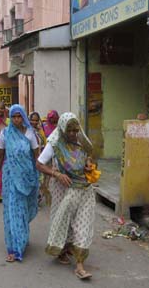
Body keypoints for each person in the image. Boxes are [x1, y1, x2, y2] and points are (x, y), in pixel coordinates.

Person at [36, 112, 99, 280]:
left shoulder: (80, 141)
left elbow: (90, 156)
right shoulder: (54, 143)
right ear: (62, 129)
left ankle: (79, 264)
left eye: (75, 130)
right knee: (62, 219)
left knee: (81, 224)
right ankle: (62, 249)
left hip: (82, 188)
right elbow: (39, 164)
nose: (72, 134)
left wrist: (88, 164)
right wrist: (56, 174)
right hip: (61, 187)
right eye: (69, 131)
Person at [0, 104, 40, 262]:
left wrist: (38, 178)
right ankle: (14, 248)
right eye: (13, 116)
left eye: (19, 116)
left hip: (27, 177)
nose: (16, 119)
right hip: (10, 177)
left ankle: (23, 236)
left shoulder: (30, 134)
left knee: (24, 211)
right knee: (12, 211)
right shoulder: (5, 134)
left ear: (23, 117)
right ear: (10, 118)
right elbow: (0, 155)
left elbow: (37, 157)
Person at [29, 112, 48, 205]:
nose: (34, 122)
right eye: (32, 120)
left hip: (40, 159)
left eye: (36, 120)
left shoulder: (40, 130)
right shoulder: (26, 130)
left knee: (40, 179)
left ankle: (38, 197)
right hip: (29, 159)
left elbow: (45, 143)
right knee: (31, 179)